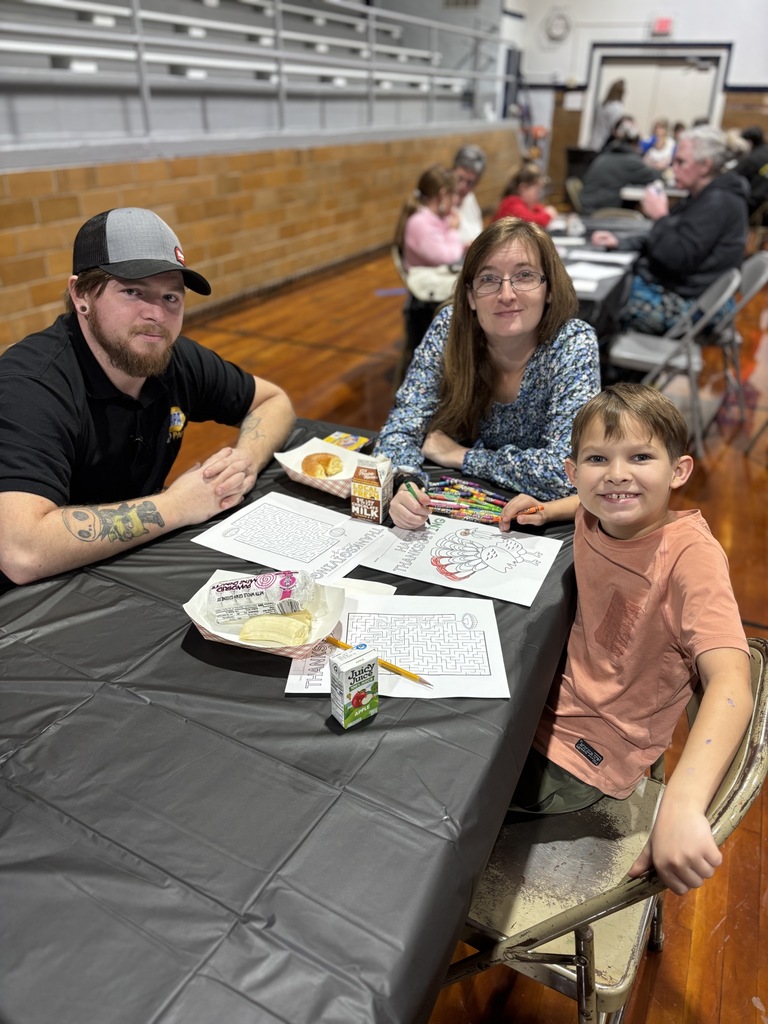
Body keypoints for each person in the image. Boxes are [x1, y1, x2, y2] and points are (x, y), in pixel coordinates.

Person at [499, 384, 752, 896]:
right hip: (548, 698)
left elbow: (731, 681)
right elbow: (596, 500)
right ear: (574, 473)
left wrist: (681, 803)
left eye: (640, 457)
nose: (617, 474)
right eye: (597, 459)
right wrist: (549, 510)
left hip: (593, 749)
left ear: (678, 471)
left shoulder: (690, 559)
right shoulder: (597, 511)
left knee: (461, 784)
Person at [0, 207, 295, 588]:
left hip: (117, 573)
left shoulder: (173, 358)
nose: (156, 313)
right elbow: (22, 552)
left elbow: (274, 401)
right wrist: (176, 506)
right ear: (80, 295)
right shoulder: (30, 387)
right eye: (133, 291)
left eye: (171, 296)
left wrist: (243, 464)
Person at [373, 218, 600, 529]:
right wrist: (405, 481)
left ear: (549, 289)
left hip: (536, 521)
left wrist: (462, 456)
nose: (506, 294)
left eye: (524, 276)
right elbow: (401, 427)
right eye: (489, 279)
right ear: (470, 296)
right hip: (458, 506)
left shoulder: (572, 341)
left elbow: (566, 472)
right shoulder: (450, 328)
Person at [592, 125, 750, 335]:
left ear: (705, 166)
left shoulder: (718, 202)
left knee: (603, 303)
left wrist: (660, 216)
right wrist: (620, 243)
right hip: (687, 293)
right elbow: (666, 237)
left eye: (680, 162)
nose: (672, 167)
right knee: (610, 290)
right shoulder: (704, 197)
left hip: (695, 307)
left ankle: (609, 365)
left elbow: (677, 256)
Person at [579, 116, 658, 215]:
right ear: (635, 145)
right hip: (600, 212)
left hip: (588, 206)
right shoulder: (630, 161)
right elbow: (655, 176)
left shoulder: (605, 155)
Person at [395, 165, 464, 272]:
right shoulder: (419, 223)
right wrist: (453, 229)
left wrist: (464, 247)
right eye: (454, 193)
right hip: (428, 284)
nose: (456, 200)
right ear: (443, 194)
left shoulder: (439, 218)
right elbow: (450, 259)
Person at [491, 163, 558, 228]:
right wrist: (548, 215)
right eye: (537, 191)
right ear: (523, 188)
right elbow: (531, 223)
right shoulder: (512, 203)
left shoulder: (523, 204)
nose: (538, 196)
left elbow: (537, 208)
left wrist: (546, 211)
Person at [452, 144, 487, 246]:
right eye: (459, 178)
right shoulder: (438, 199)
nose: (462, 186)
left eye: (470, 183)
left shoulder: (469, 198)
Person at [734, 125, 768, 216]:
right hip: (763, 207)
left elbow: (733, 175)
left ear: (749, 142)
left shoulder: (751, 159)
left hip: (751, 205)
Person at [589, 78, 626, 152]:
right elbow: (615, 127)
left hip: (594, 141)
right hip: (605, 143)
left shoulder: (602, 105)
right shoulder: (616, 107)